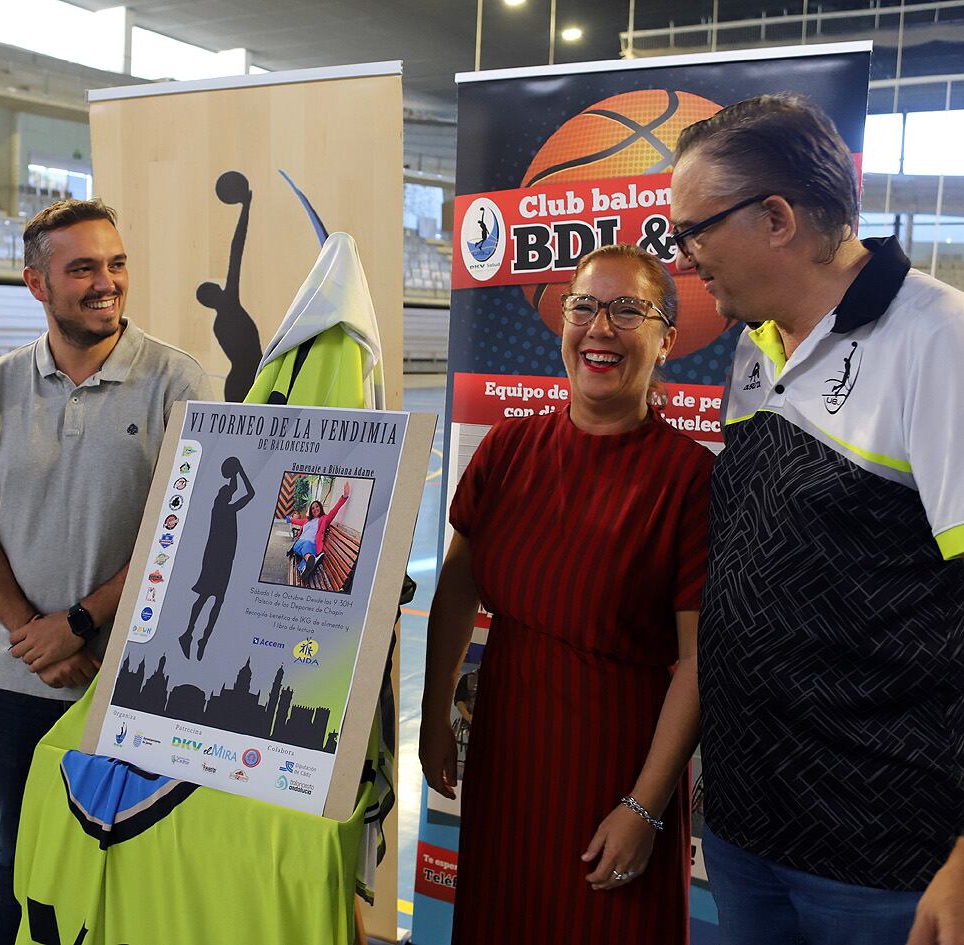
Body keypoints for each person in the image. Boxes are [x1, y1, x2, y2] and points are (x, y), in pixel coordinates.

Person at [670, 92, 964, 945]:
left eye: (695, 230)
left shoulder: (937, 343)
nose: (685, 257)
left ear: (775, 219)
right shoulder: (754, 342)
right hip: (746, 828)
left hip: (882, 853)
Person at [420, 244, 712, 943]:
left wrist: (643, 808)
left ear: (667, 339)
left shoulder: (690, 480)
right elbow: (457, 589)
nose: (600, 328)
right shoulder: (507, 451)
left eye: (627, 310)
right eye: (582, 306)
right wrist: (434, 714)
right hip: (507, 766)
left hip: (614, 779)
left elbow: (700, 662)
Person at [0, 197, 213, 945]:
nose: (107, 282)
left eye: (117, 263)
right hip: (19, 676)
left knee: (136, 858)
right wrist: (31, 635)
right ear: (37, 283)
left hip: (135, 680)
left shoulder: (177, 382)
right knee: (21, 855)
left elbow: (184, 536)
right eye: (84, 268)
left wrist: (80, 624)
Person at [179, 455, 255, 661]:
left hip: (220, 558)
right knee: (211, 598)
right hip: (217, 559)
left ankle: (196, 637)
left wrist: (236, 471)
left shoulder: (223, 507)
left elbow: (234, 487)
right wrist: (239, 470)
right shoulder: (226, 509)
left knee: (211, 599)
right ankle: (191, 636)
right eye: (228, 492)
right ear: (224, 496)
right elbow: (250, 493)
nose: (230, 491)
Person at [284, 483, 349, 582]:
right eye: (313, 508)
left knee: (308, 546)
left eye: (317, 507)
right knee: (305, 544)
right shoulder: (307, 520)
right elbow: (297, 521)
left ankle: (305, 567)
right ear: (311, 511)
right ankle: (310, 559)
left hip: (312, 546)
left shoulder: (324, 519)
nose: (315, 509)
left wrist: (344, 497)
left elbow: (334, 510)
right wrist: (289, 519)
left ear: (320, 508)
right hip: (299, 543)